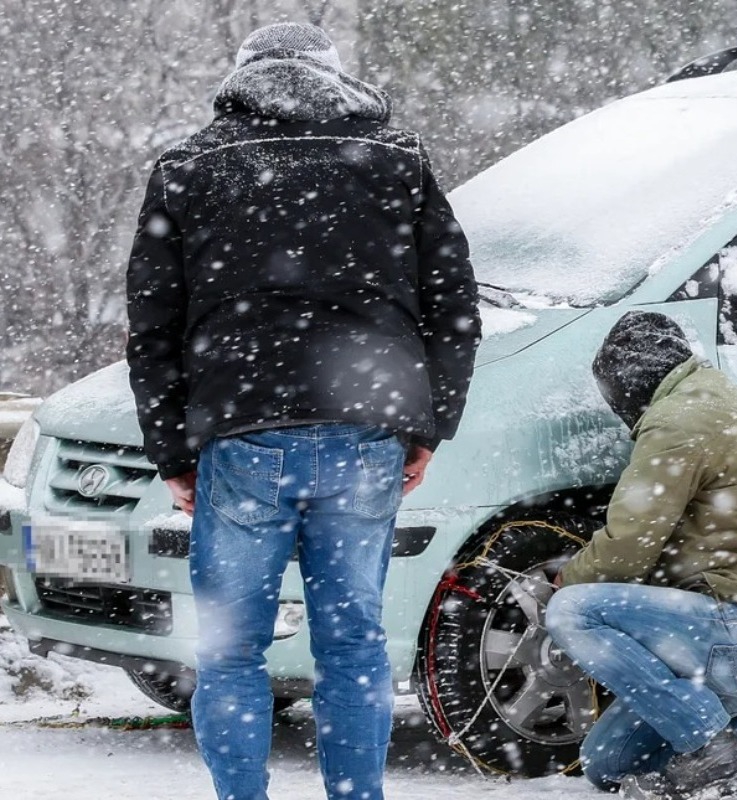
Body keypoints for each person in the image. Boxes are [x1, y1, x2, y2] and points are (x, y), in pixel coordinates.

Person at [125, 23, 479, 800]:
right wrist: (426, 426)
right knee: (352, 645)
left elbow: (153, 329)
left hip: (240, 431)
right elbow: (453, 305)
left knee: (230, 653)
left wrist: (173, 452)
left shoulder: (189, 166)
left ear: (240, 76)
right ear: (335, 75)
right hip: (365, 428)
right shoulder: (395, 159)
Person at [544, 311, 737, 800]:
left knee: (572, 610)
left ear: (626, 385)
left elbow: (627, 545)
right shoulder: (726, 402)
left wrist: (566, 578)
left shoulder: (679, 419)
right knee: (608, 764)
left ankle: (712, 753)